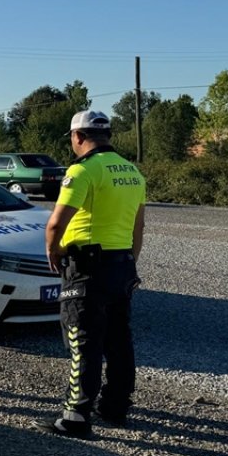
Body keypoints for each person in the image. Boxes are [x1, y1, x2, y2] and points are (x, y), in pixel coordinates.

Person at [36, 110, 146, 438]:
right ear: (107, 135)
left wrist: (52, 250)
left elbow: (57, 222)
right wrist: (130, 261)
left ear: (78, 137)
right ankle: (115, 406)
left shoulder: (83, 171)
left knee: (82, 339)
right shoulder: (132, 172)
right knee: (118, 339)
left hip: (86, 268)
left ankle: (76, 417)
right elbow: (139, 225)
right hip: (121, 264)